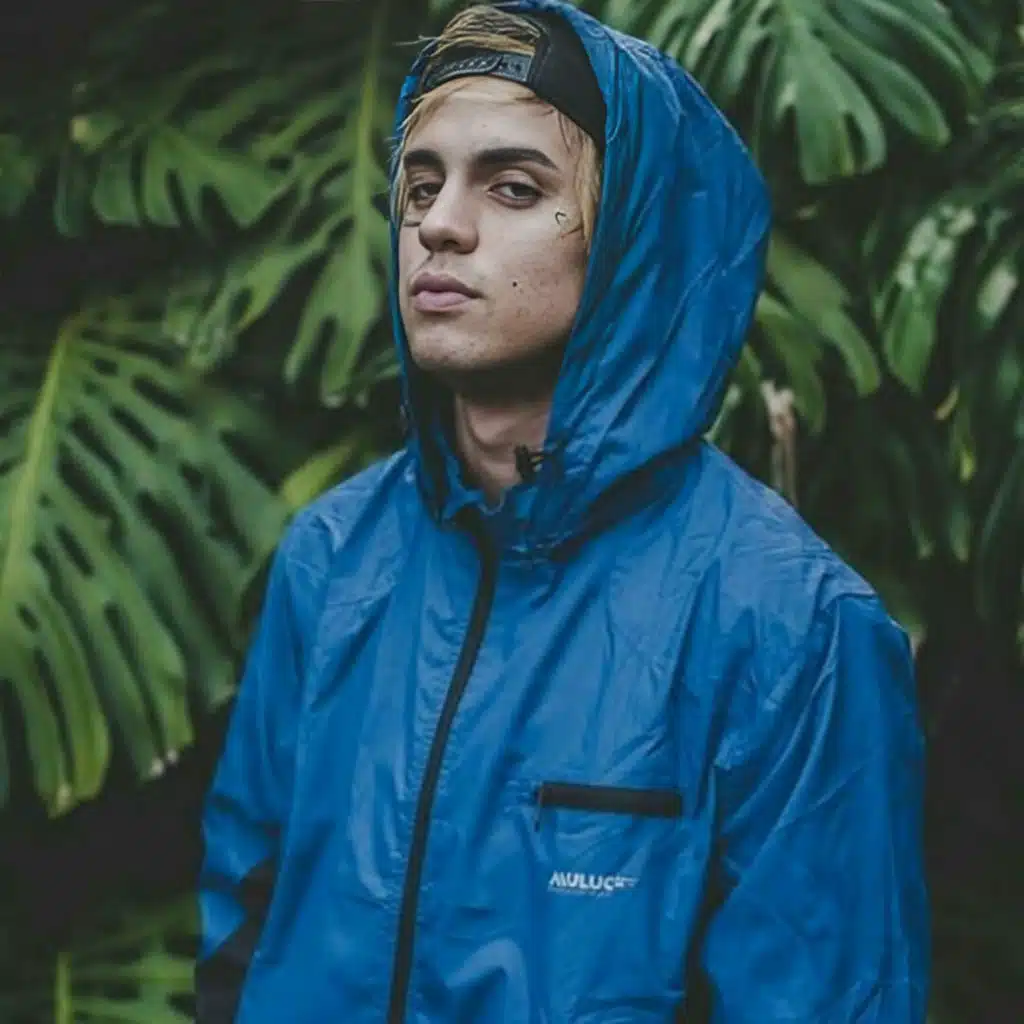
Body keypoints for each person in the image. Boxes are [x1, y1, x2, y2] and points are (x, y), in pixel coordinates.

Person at [195, 1, 930, 1020]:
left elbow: (823, 994)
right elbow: (241, 925)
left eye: (513, 186)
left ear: (631, 239)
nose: (438, 225)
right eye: (421, 186)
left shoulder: (788, 624)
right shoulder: (332, 556)